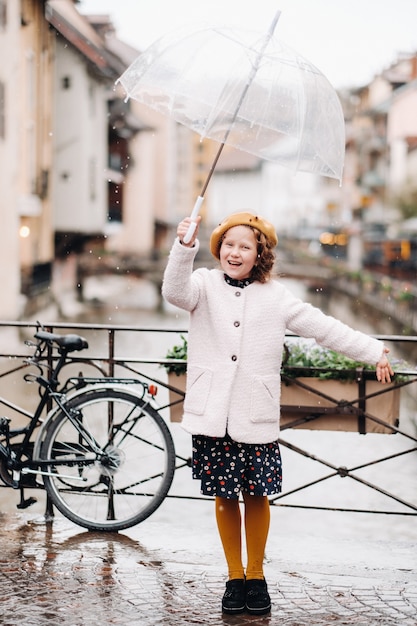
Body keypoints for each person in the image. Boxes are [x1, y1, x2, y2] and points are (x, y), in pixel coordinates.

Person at [162, 211, 393, 616]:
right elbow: (173, 292)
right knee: (223, 495)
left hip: (254, 412)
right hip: (214, 411)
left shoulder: (277, 296)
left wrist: (373, 350)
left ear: (259, 253)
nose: (234, 253)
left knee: (256, 494)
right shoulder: (201, 284)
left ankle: (256, 574)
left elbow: (325, 329)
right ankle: (234, 576)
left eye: (244, 247)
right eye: (228, 245)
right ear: (217, 248)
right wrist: (184, 248)